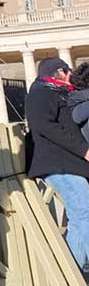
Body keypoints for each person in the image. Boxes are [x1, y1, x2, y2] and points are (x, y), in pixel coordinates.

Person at [27, 57, 89, 271]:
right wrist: (84, 150)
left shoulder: (58, 92)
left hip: (70, 163)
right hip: (58, 163)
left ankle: (74, 274)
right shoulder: (41, 93)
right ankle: (74, 275)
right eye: (67, 69)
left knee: (81, 216)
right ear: (58, 72)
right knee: (83, 214)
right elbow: (44, 125)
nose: (71, 73)